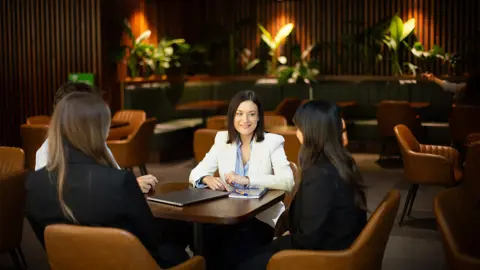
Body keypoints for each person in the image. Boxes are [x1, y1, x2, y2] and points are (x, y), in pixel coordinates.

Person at [25, 92, 189, 268]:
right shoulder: (119, 182)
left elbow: (47, 241)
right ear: (99, 130)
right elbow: (153, 238)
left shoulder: (32, 183)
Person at [237, 100, 368, 270]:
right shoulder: (341, 162)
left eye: (298, 128)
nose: (297, 133)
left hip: (324, 258)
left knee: (243, 263)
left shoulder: (321, 174)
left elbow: (307, 239)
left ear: (310, 132)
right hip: (338, 245)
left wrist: (286, 236)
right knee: (250, 247)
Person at [189, 90, 294, 269]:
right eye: (239, 114)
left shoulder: (272, 142)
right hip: (226, 215)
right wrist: (206, 178)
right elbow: (194, 174)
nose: (245, 120)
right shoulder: (222, 139)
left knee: (235, 248)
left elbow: (287, 181)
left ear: (259, 117)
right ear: (232, 116)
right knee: (204, 238)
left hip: (261, 218)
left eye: (251, 114)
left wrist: (247, 179)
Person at [34, 82, 157, 193]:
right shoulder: (48, 153)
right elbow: (71, 198)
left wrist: (131, 185)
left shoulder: (96, 144)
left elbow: (116, 178)